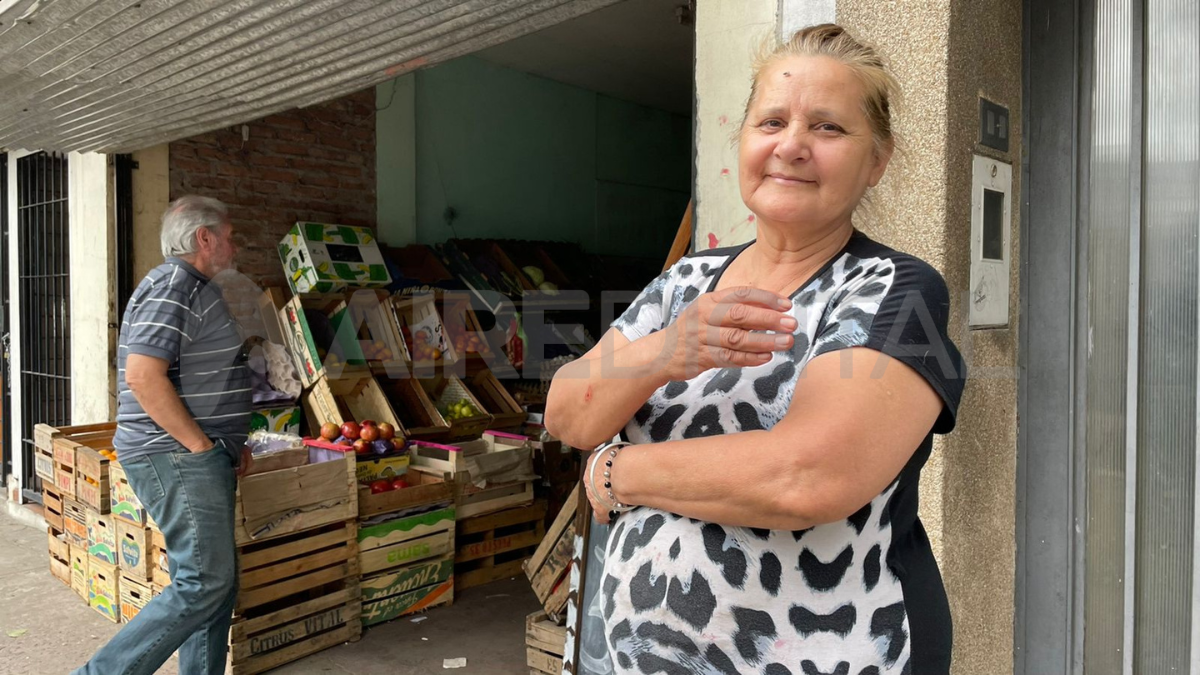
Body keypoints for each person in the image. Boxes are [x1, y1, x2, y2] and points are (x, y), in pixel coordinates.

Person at [545, 24, 965, 675]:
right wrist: (667, 350)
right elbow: (568, 412)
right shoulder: (684, 282)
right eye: (771, 121)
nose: (791, 146)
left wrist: (616, 471)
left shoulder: (894, 290)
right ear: (743, 139)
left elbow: (805, 476)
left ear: (876, 161)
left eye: (828, 127)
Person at [74, 195, 253, 675]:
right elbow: (142, 375)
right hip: (175, 454)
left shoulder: (192, 288)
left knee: (213, 584)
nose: (235, 246)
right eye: (230, 237)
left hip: (193, 453)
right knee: (204, 583)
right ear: (204, 238)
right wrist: (200, 446)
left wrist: (230, 442)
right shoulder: (174, 285)